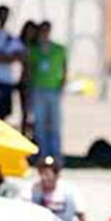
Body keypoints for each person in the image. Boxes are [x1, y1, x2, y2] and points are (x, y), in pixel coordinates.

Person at [29, 21, 67, 162]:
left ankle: (56, 154)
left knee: (55, 123)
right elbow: (30, 70)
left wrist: (62, 86)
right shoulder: (34, 51)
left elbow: (64, 69)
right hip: (38, 89)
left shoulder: (59, 50)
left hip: (53, 90)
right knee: (40, 124)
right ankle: (43, 154)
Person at [31, 156, 88, 221]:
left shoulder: (69, 192)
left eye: (47, 174)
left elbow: (82, 218)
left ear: (57, 175)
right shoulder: (33, 190)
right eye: (41, 173)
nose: (44, 178)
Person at [17, 20, 38, 137]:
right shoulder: (19, 45)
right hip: (22, 82)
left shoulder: (35, 48)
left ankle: (32, 136)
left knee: (33, 113)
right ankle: (23, 135)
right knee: (25, 112)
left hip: (33, 83)